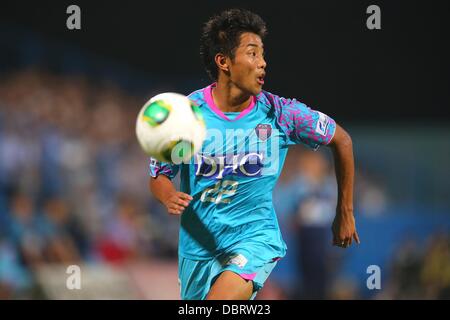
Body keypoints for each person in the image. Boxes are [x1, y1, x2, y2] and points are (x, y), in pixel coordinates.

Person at [148, 8, 359, 300]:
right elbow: (159, 174)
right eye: (252, 54)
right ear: (223, 61)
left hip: (254, 239)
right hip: (198, 248)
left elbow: (343, 140)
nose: (263, 63)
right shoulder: (187, 115)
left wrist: (344, 212)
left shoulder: (281, 113)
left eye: (262, 54)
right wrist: (168, 195)